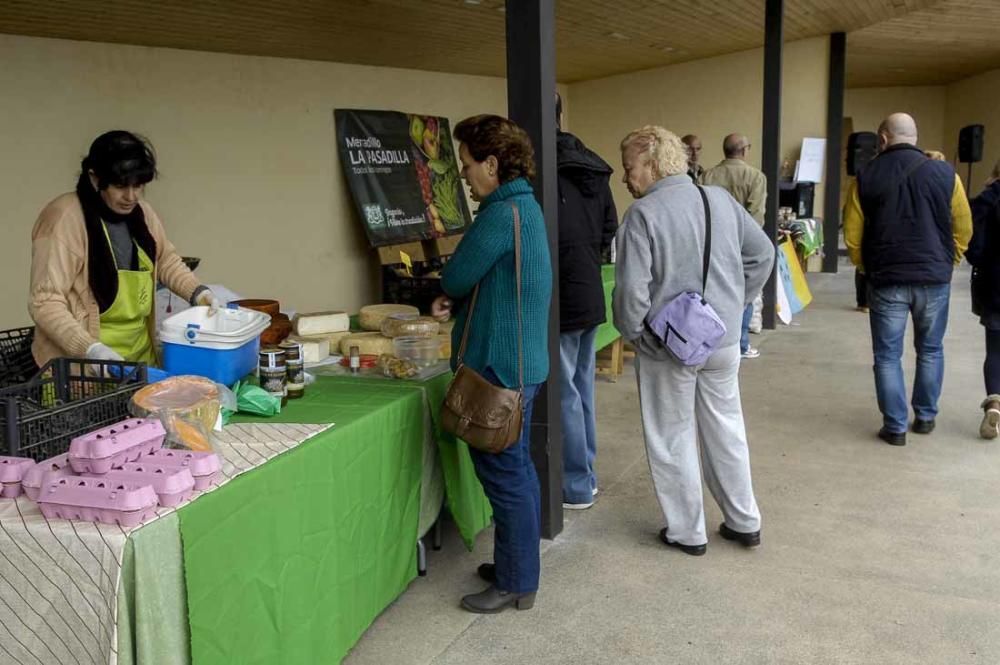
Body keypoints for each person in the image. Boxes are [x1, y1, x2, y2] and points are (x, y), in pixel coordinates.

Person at [613, 125, 773, 555]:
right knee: (726, 428)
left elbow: (631, 292)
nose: (626, 179)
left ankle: (687, 531)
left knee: (671, 435)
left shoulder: (643, 215)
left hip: (668, 344)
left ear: (650, 162)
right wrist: (736, 304)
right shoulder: (718, 199)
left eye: (629, 168)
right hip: (719, 339)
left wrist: (635, 335)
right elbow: (763, 254)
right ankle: (743, 520)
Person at [431, 115, 552, 612]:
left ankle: (517, 581)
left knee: (507, 476)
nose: (464, 176)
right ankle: (513, 568)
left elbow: (458, 275)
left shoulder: (501, 216)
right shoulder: (525, 207)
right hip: (519, 363)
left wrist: (448, 292)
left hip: (502, 369)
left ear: (492, 164)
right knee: (513, 470)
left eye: (467, 165)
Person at [29, 131, 220, 369]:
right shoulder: (64, 219)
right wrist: (89, 348)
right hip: (83, 368)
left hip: (139, 361)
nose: (131, 197)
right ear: (95, 178)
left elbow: (166, 260)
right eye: (120, 186)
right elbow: (45, 302)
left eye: (138, 186)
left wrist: (198, 293)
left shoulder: (143, 214)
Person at [843, 113, 972, 446]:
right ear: (915, 137)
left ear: (883, 139)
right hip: (934, 278)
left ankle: (895, 427)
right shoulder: (947, 174)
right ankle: (926, 417)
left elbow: (853, 236)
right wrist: (949, 260)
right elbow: (963, 226)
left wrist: (865, 267)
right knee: (930, 349)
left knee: (887, 356)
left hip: (887, 279)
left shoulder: (865, 176)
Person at [554, 93, 618, 510]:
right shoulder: (593, 169)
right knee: (581, 390)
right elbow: (610, 226)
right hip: (590, 290)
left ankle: (575, 485)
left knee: (563, 395)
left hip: (561, 295)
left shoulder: (542, 170)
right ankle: (586, 475)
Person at [701, 133, 768, 359]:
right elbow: (756, 217)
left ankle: (708, 338)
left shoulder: (707, 175)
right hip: (740, 245)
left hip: (710, 244)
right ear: (745, 150)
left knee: (711, 290)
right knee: (742, 292)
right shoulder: (755, 177)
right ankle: (740, 343)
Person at [966, 160, 1000, 439]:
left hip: (995, 285)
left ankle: (994, 401)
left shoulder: (987, 199)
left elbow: (972, 244)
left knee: (995, 350)